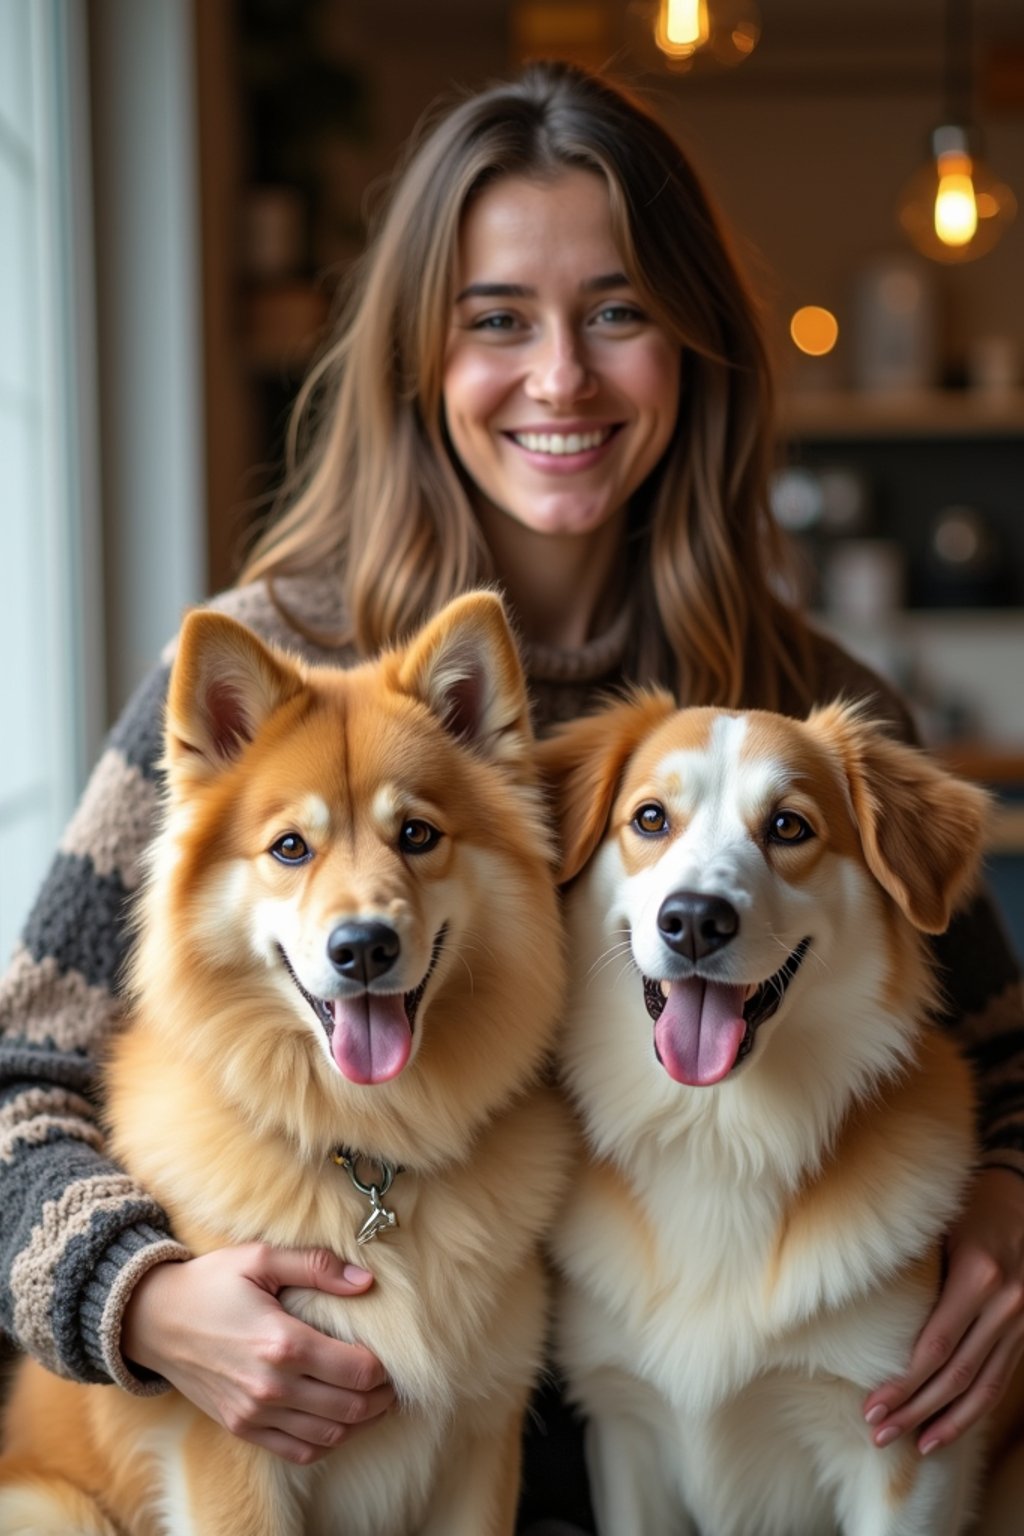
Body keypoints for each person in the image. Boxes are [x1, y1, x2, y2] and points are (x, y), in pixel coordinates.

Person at [1, 60, 1023, 1534]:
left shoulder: (800, 695)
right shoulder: (265, 670)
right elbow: (22, 1083)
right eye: (497, 320)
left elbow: (1002, 1062)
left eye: (618, 312)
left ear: (695, 345)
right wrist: (141, 1296)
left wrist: (1005, 1215)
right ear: (422, 361)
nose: (561, 377)